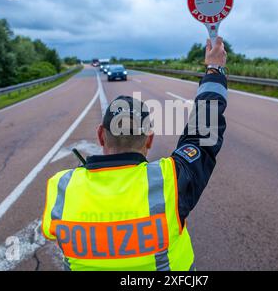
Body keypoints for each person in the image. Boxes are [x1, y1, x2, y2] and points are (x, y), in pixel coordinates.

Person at [41, 37, 228, 271]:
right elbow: (203, 135)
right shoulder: (169, 180)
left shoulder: (62, 188)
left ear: (101, 135)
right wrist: (215, 69)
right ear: (149, 139)